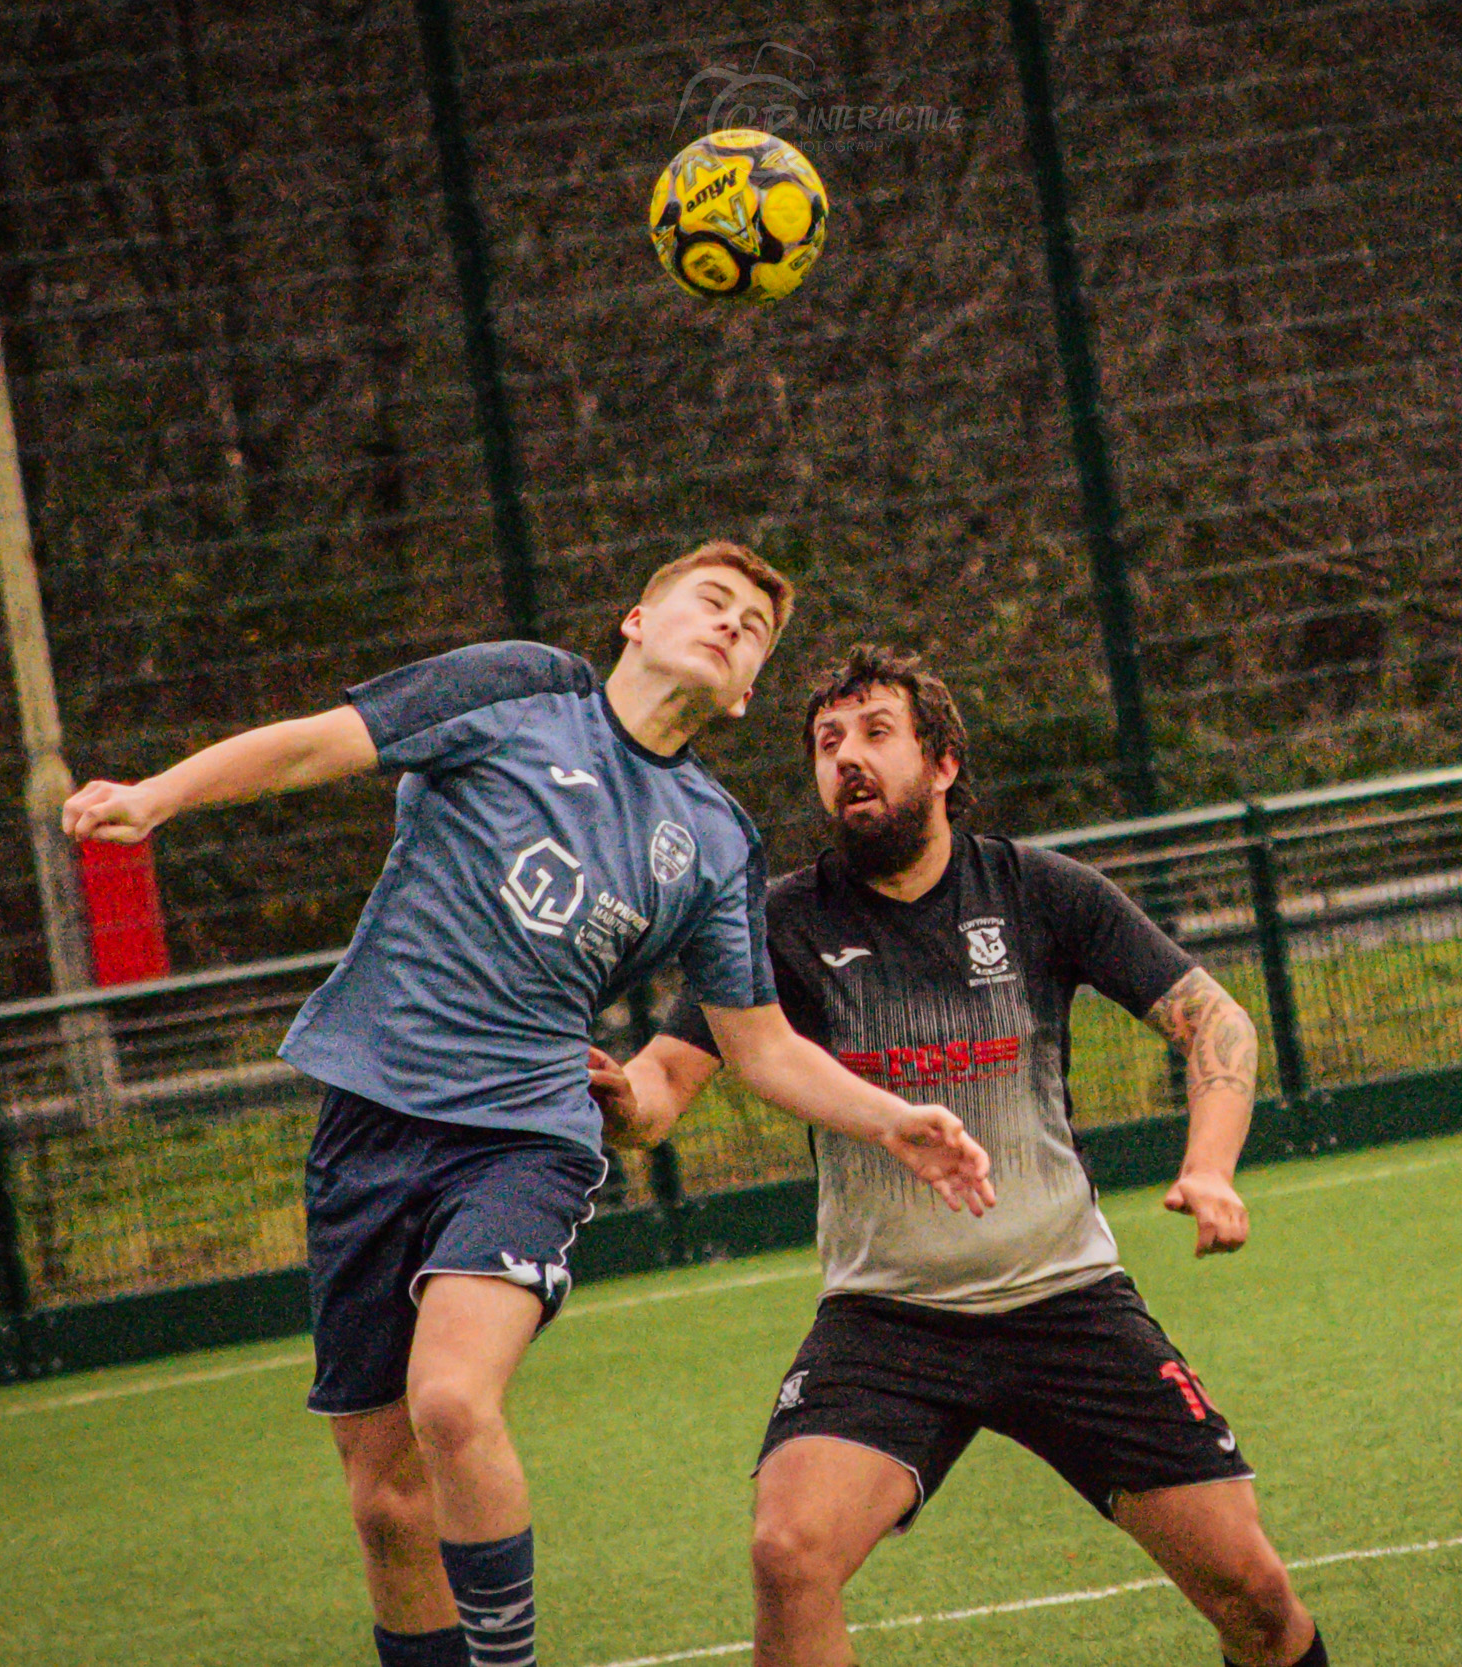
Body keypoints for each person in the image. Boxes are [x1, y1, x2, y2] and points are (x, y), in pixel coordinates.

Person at [62, 552, 995, 1667]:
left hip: (525, 1134)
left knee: (451, 1399)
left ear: (744, 693)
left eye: (752, 628)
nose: (733, 625)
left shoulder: (712, 837)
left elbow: (759, 1045)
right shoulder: (514, 690)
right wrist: (155, 795)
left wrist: (891, 1119)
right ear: (638, 619)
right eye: (714, 601)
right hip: (369, 1116)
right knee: (386, 1500)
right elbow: (318, 742)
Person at [600, 644, 1329, 1667]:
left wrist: (1209, 1164)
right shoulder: (780, 924)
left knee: (1253, 1594)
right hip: (887, 1318)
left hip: (1066, 1299)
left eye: (874, 733)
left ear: (942, 763)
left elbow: (1217, 1025)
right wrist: (611, 1098)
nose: (846, 757)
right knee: (787, 1550)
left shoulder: (1041, 891)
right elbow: (662, 1089)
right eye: (825, 741)